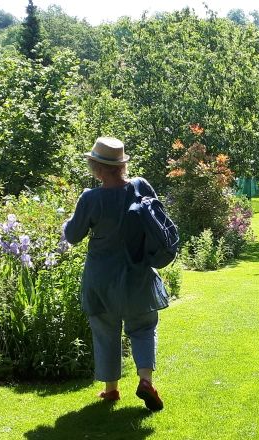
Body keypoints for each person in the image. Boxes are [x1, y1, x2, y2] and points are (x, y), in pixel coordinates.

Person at [63, 137, 167, 411]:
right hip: (138, 273)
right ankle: (146, 381)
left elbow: (73, 236)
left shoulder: (91, 198)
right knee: (143, 328)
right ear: (122, 165)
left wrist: (67, 222)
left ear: (95, 167)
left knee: (105, 331)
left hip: (102, 278)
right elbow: (159, 216)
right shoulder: (140, 186)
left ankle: (111, 390)